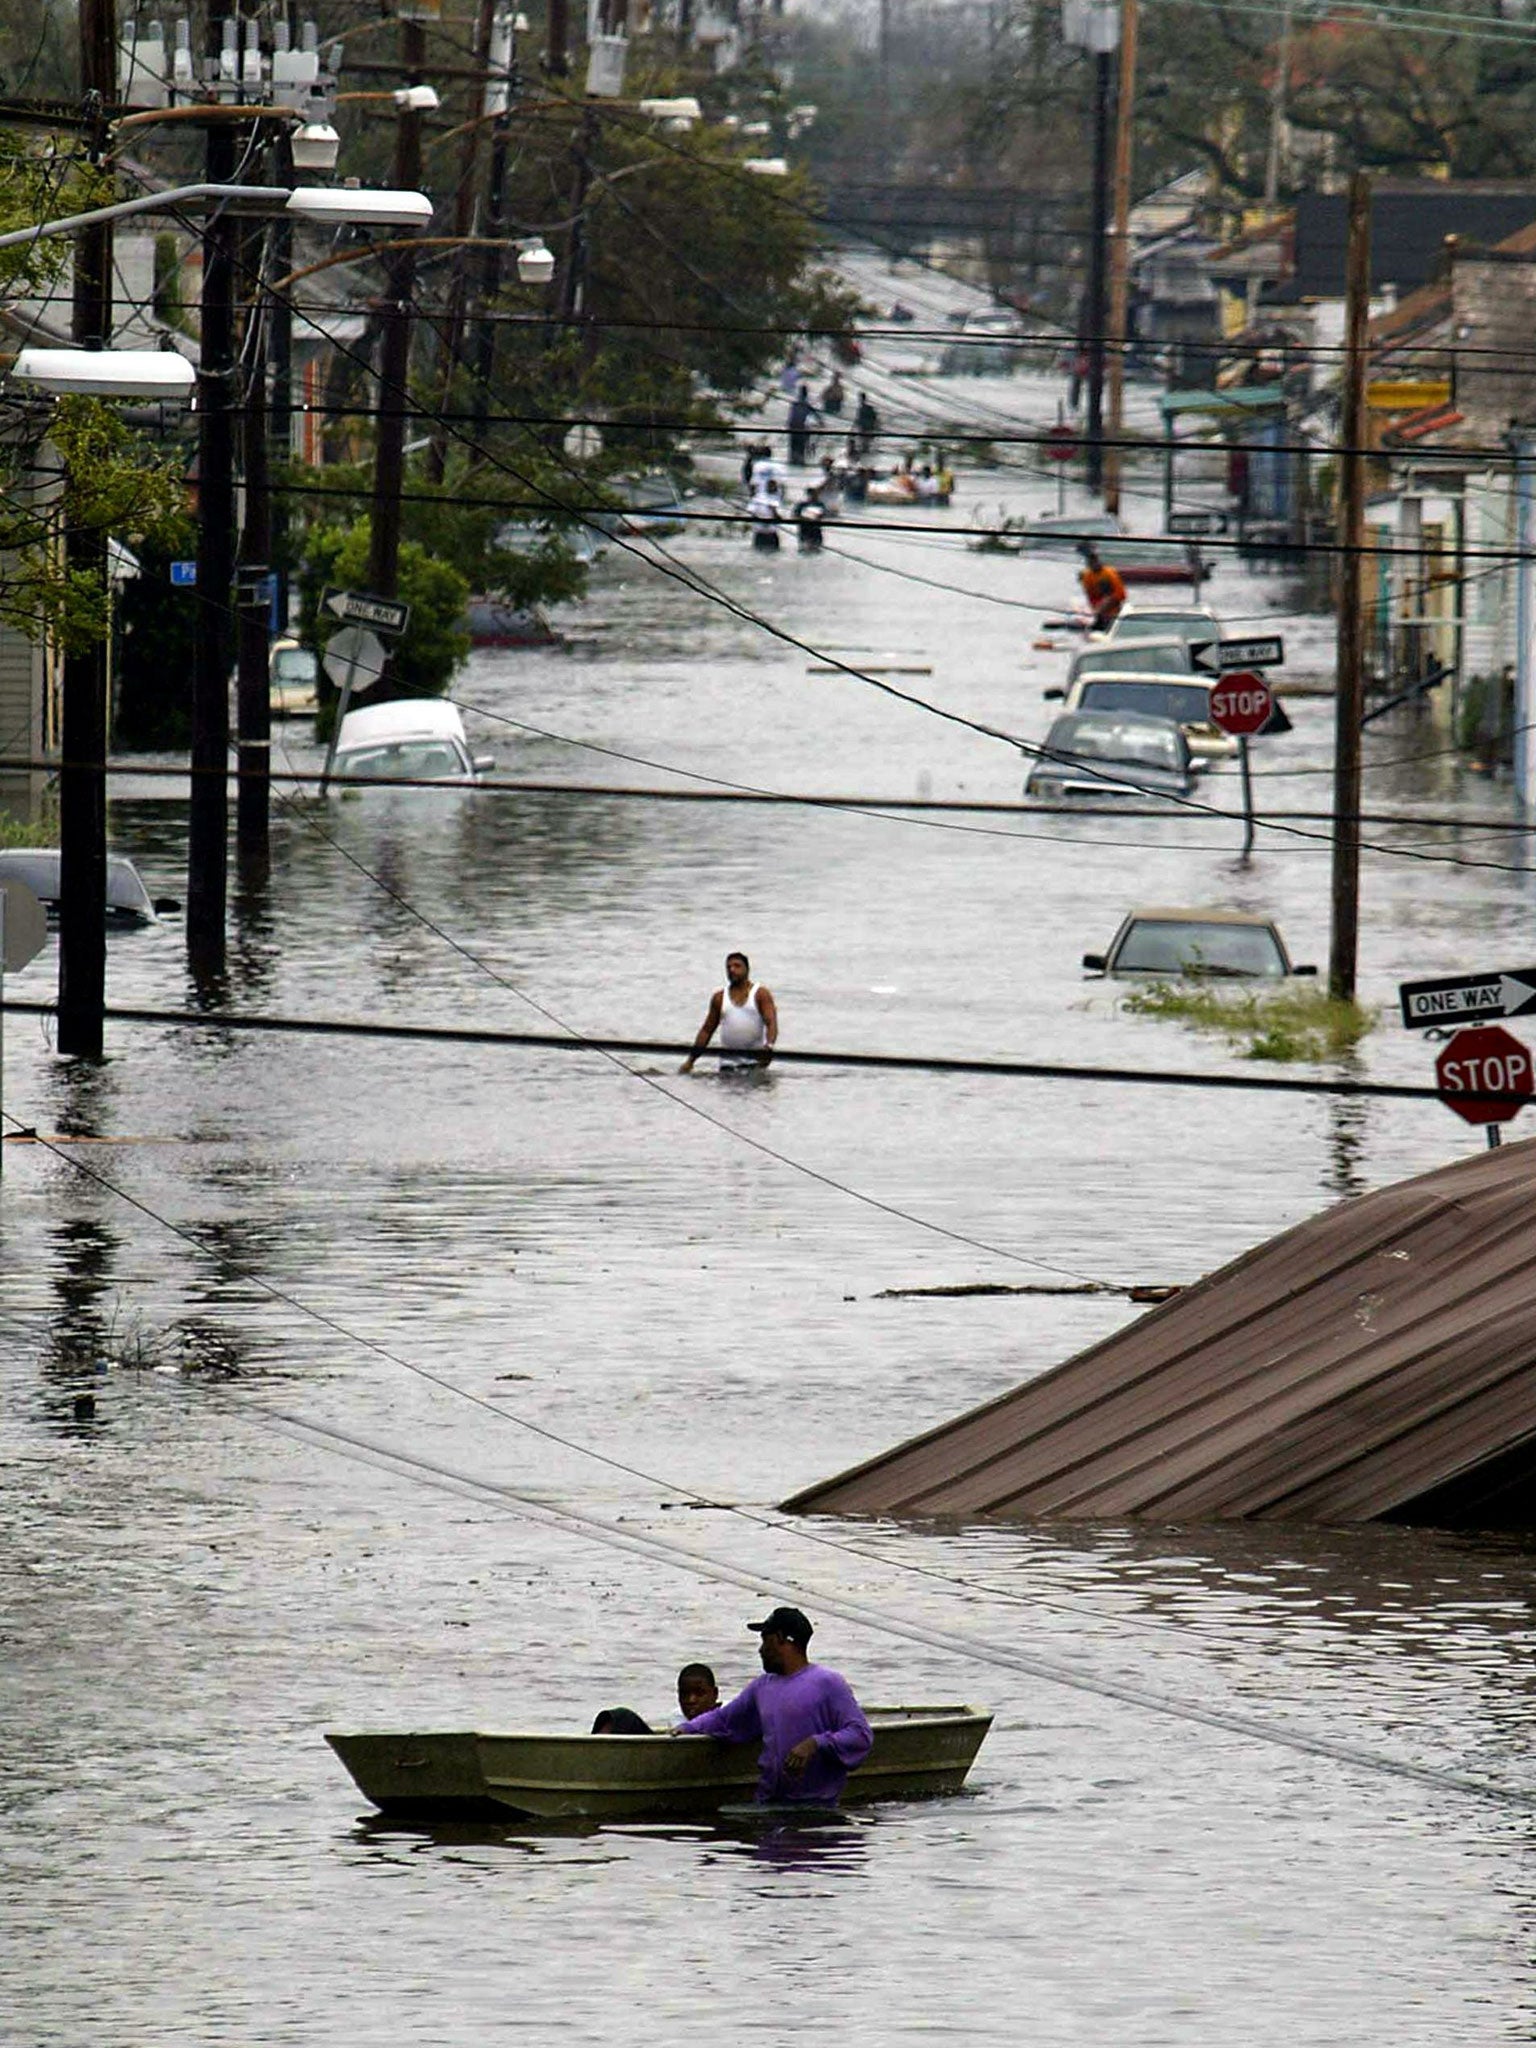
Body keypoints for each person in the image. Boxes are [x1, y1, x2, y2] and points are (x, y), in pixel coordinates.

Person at [673, 1607, 872, 1808]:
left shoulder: (828, 1683)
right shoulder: (762, 1686)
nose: (760, 1650)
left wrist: (814, 1743)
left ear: (779, 1639)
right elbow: (725, 1719)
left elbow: (860, 1735)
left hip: (816, 1806)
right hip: (769, 1802)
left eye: (764, 1640)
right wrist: (687, 1728)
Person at [681, 951, 778, 1073]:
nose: (732, 970)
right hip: (727, 1066)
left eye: (737, 966)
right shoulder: (719, 997)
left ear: (747, 970)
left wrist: (769, 1046)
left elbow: (771, 1023)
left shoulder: (760, 994)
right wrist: (690, 1061)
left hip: (753, 1065)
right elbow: (707, 1030)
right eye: (728, 967)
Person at [1079, 546, 1127, 630]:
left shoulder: (1109, 573)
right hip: (1099, 611)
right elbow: (1090, 596)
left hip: (1114, 611)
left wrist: (1106, 604)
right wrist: (1097, 609)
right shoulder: (1087, 576)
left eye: (1095, 561)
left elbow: (1121, 594)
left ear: (1098, 561)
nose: (1094, 564)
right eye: (1091, 562)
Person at [787, 381, 818, 467]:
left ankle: (793, 459)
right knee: (800, 446)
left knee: (793, 446)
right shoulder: (806, 404)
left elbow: (791, 416)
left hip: (792, 426)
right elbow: (816, 416)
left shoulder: (795, 404)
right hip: (800, 427)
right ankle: (800, 460)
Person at [852, 390, 878, 459]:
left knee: (865, 440)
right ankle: (865, 451)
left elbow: (873, 418)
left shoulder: (866, 408)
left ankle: (865, 451)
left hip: (866, 427)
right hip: (864, 427)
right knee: (863, 440)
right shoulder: (862, 408)